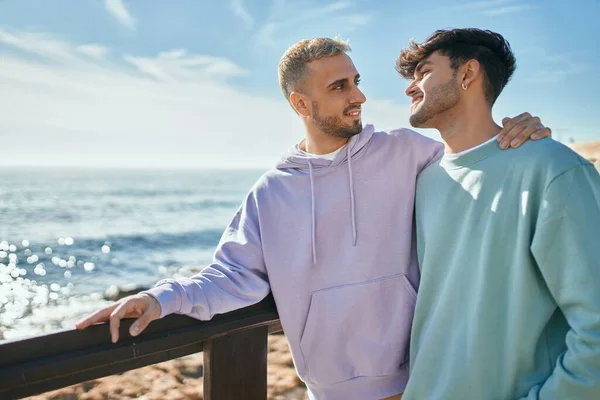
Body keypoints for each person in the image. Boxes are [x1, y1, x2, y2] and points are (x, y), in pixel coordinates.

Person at [76, 37, 550, 400]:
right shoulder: (272, 192)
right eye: (340, 86)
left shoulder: (408, 153)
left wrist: (519, 131)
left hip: (423, 378)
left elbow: (478, 164)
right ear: (301, 104)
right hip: (328, 390)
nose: (359, 96)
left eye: (357, 81)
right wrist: (161, 298)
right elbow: (232, 275)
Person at [397, 28, 600, 399]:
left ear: (467, 74)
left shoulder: (555, 171)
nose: (410, 88)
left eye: (424, 72)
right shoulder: (423, 180)